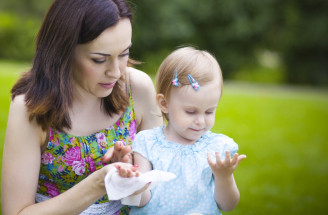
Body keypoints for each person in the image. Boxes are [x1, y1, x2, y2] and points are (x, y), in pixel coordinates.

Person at [0, 0, 162, 214]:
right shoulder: (30, 107)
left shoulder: (137, 89)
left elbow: (160, 190)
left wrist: (130, 171)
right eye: (98, 60)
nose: (115, 72)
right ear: (64, 51)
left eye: (124, 54)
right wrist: (99, 183)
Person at [128, 47, 247, 214]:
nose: (200, 121)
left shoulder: (216, 148)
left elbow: (227, 205)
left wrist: (224, 177)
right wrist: (133, 183)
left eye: (209, 111)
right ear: (164, 104)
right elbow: (141, 201)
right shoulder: (147, 143)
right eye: (191, 111)